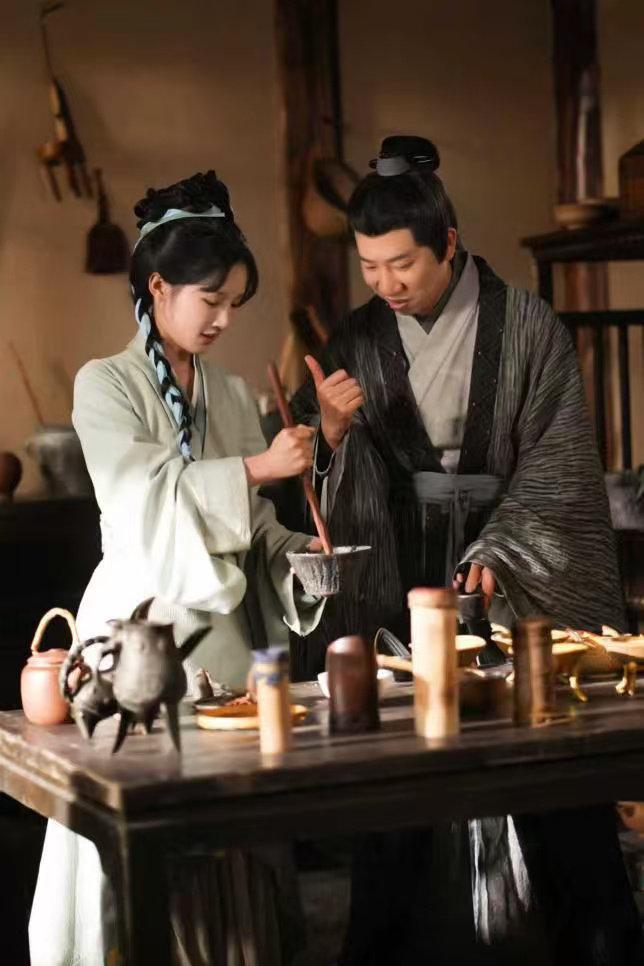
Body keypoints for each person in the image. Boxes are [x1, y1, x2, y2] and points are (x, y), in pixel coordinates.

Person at [294, 136, 642, 964]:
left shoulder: (527, 325)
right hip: (402, 572)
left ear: (448, 242)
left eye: (402, 264)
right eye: (369, 266)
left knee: (548, 765)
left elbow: (558, 459)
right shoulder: (359, 338)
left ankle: (595, 943)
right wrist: (331, 433)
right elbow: (324, 476)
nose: (386, 283)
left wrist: (506, 543)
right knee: (402, 777)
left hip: (513, 567)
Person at [29, 170, 324, 966]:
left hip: (224, 645)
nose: (224, 319)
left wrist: (302, 558)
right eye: (211, 300)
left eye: (235, 304)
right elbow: (141, 498)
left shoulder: (230, 392)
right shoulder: (104, 385)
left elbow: (251, 527)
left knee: (232, 834)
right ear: (158, 287)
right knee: (141, 827)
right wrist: (258, 468)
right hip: (136, 643)